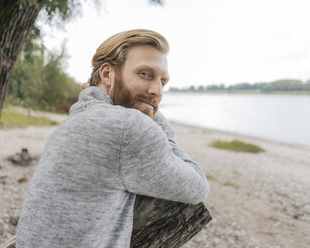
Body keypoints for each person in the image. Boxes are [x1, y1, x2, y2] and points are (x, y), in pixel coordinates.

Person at [16, 29, 209, 248]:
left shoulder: (73, 122)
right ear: (107, 74)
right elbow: (198, 186)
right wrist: (152, 116)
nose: (157, 91)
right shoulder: (127, 128)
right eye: (145, 74)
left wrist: (146, 107)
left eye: (162, 82)